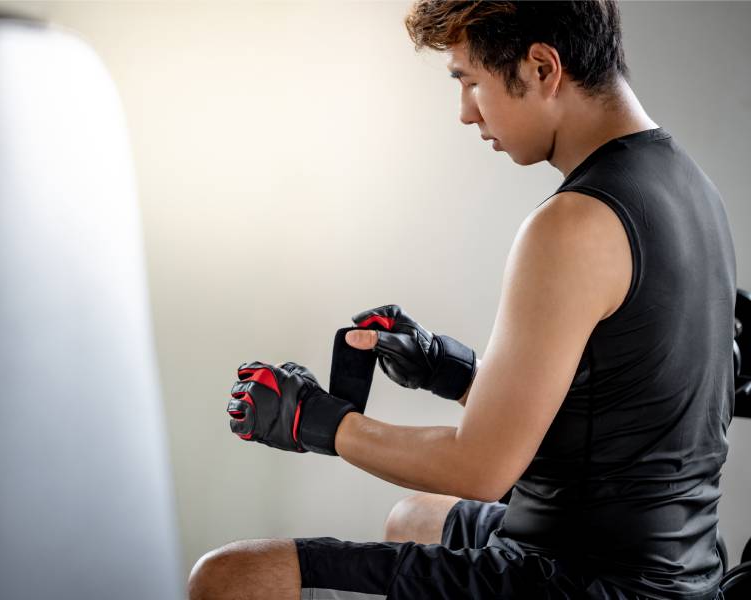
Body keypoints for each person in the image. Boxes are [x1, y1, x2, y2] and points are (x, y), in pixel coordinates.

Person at [189, 1, 735, 599]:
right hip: (671, 565)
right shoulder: (688, 186)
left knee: (229, 576)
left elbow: (480, 469)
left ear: (541, 68)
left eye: (470, 82)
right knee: (414, 519)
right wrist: (446, 369)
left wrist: (315, 421)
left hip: (588, 581)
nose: (466, 113)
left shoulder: (573, 224)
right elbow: (610, 409)